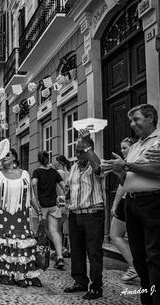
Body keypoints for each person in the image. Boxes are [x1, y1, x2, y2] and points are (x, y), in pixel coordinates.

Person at [102, 104, 160, 305]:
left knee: (154, 258)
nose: (132, 124)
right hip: (132, 203)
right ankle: (146, 300)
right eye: (131, 121)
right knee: (139, 258)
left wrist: (126, 164)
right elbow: (127, 180)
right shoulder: (135, 147)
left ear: (151, 117)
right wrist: (119, 171)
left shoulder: (159, 141)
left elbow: (157, 169)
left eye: (136, 119)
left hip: (154, 202)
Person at [0, 147, 42, 287]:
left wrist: (39, 212)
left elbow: (31, 196)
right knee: (3, 243)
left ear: (15, 157)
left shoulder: (25, 174)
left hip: (21, 215)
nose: (4, 157)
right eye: (2, 155)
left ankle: (22, 274)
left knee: (20, 243)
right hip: (3, 215)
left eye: (7, 154)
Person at [64, 129, 105, 300]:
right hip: (75, 213)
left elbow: (98, 169)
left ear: (89, 150)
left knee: (94, 252)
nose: (78, 155)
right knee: (77, 250)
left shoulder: (96, 163)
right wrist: (66, 197)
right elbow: (71, 188)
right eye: (76, 152)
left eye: (82, 151)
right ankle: (80, 281)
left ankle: (96, 287)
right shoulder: (73, 167)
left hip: (92, 214)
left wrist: (88, 145)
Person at [109, 137, 138, 282]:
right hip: (133, 201)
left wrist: (115, 204)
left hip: (128, 200)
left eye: (125, 147)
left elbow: (123, 184)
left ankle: (134, 266)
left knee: (115, 234)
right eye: (121, 148)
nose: (122, 150)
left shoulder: (130, 161)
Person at [32, 151, 67, 270]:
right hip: (54, 205)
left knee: (47, 230)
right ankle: (60, 256)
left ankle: (59, 250)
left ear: (38, 160)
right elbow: (64, 186)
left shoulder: (37, 172)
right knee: (55, 231)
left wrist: (37, 201)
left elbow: (34, 184)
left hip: (43, 206)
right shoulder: (54, 172)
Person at [53, 155, 72, 257]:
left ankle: (60, 250)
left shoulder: (58, 173)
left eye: (54, 162)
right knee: (66, 228)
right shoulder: (68, 173)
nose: (53, 164)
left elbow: (55, 189)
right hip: (67, 201)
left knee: (57, 228)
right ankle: (69, 249)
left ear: (59, 162)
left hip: (59, 201)